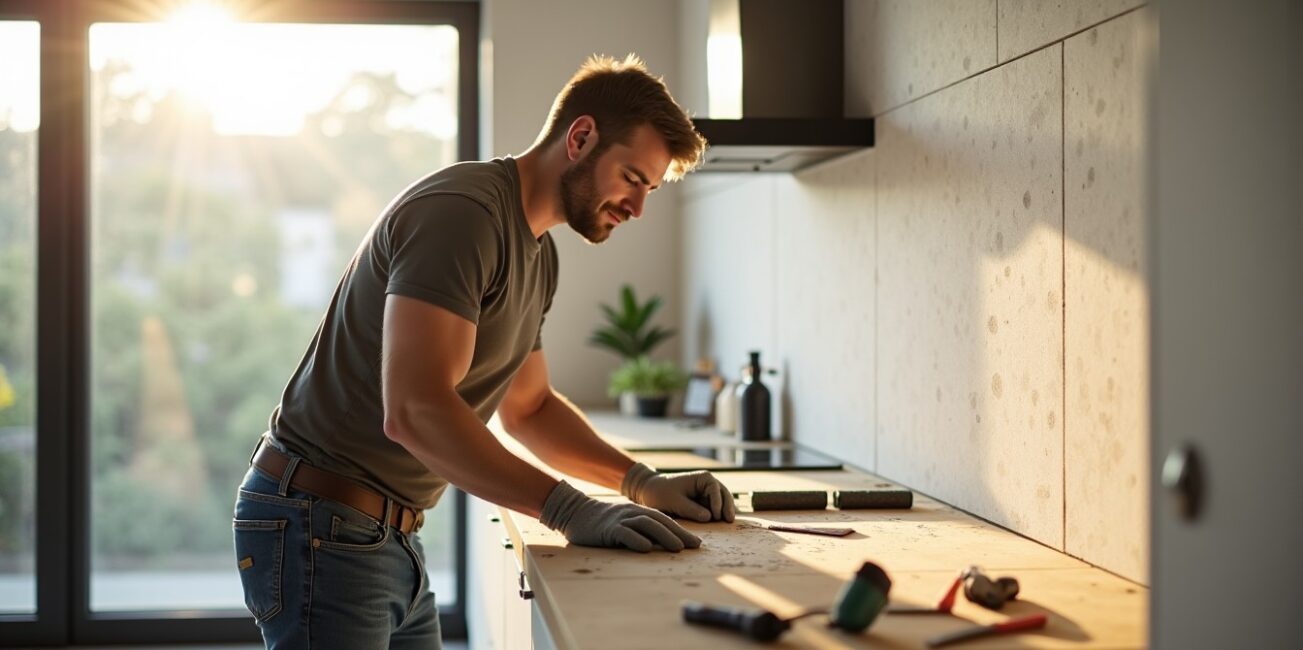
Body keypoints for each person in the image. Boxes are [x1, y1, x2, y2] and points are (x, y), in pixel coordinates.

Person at [231, 54, 735, 649]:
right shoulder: (464, 216)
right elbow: (414, 410)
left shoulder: (538, 254)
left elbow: (530, 408)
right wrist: (570, 511)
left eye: (649, 189)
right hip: (321, 524)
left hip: (384, 534)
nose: (637, 207)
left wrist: (642, 482)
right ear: (581, 137)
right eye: (631, 178)